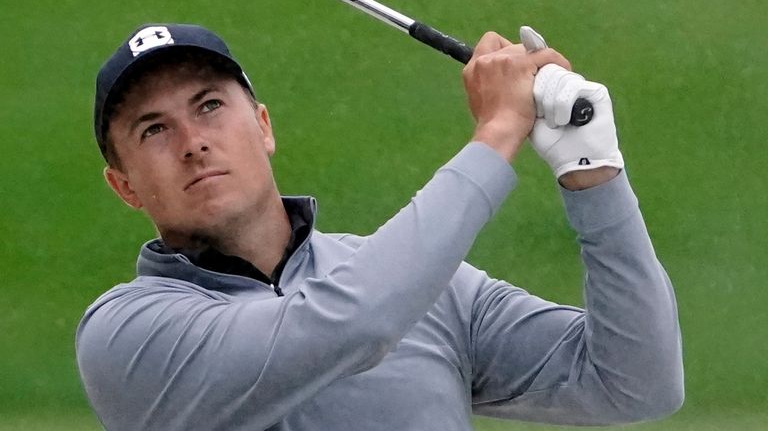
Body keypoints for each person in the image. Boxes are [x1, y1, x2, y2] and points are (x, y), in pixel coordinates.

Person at [76, 23, 684, 431]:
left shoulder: (433, 289)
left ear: (262, 125)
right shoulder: (127, 333)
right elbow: (351, 323)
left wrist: (593, 170)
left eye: (209, 106)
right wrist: (496, 134)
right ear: (124, 185)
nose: (193, 143)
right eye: (154, 129)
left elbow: (636, 381)